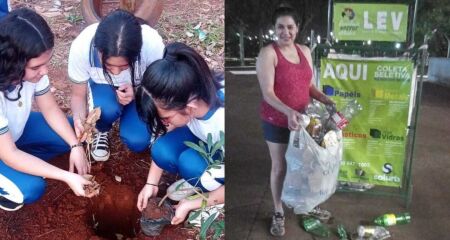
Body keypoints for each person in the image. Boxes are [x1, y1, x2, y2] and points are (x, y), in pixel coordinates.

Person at [0, 8, 93, 211]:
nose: (44, 72)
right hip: (5, 148)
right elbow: (9, 154)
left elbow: (50, 108)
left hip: (12, 135)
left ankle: (22, 164)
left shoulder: (31, 73)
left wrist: (75, 146)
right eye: (36, 68)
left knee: (69, 135)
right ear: (13, 62)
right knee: (30, 189)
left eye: (46, 63)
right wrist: (66, 176)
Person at [256, 5, 335, 237]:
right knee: (280, 167)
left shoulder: (305, 51)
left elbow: (307, 85)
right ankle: (279, 211)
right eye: (280, 27)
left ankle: (307, 205)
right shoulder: (268, 53)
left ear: (297, 28)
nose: (285, 32)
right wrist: (288, 111)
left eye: (290, 27)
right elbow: (267, 93)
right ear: (274, 28)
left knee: (308, 166)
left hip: (304, 123)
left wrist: (323, 99)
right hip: (277, 121)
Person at [135, 42, 224, 225]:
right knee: (162, 149)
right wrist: (151, 183)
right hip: (205, 139)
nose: (164, 123)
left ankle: (213, 198)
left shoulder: (223, 122)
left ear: (188, 107)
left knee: (190, 164)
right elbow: (166, 136)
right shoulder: (189, 94)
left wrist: (191, 204)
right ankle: (201, 182)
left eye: (166, 118)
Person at [68, 9, 164, 162]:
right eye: (109, 65)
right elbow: (78, 95)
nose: (116, 72)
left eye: (124, 66)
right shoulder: (82, 46)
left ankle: (141, 120)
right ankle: (101, 129)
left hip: (141, 90)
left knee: (137, 141)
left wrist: (138, 91)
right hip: (103, 89)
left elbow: (159, 86)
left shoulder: (151, 45)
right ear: (98, 51)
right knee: (105, 109)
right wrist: (80, 121)